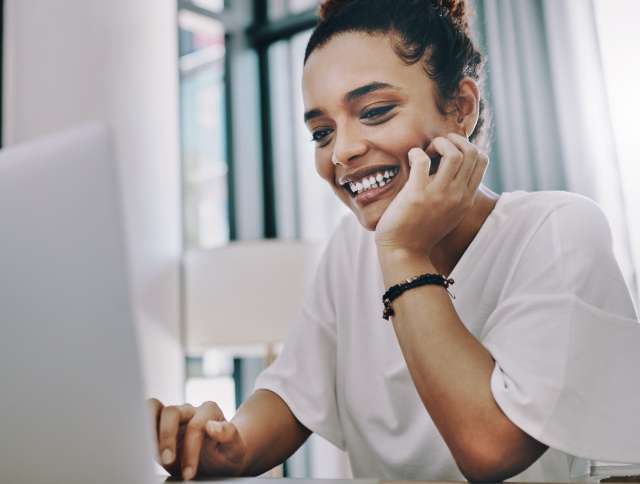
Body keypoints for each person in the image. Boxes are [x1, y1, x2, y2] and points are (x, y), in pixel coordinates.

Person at [148, 0, 640, 481]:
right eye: (321, 132)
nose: (342, 151)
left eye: (376, 110)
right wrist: (229, 446)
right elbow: (290, 396)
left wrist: (404, 252)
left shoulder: (556, 230)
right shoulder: (349, 248)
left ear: (460, 109)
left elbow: (490, 449)